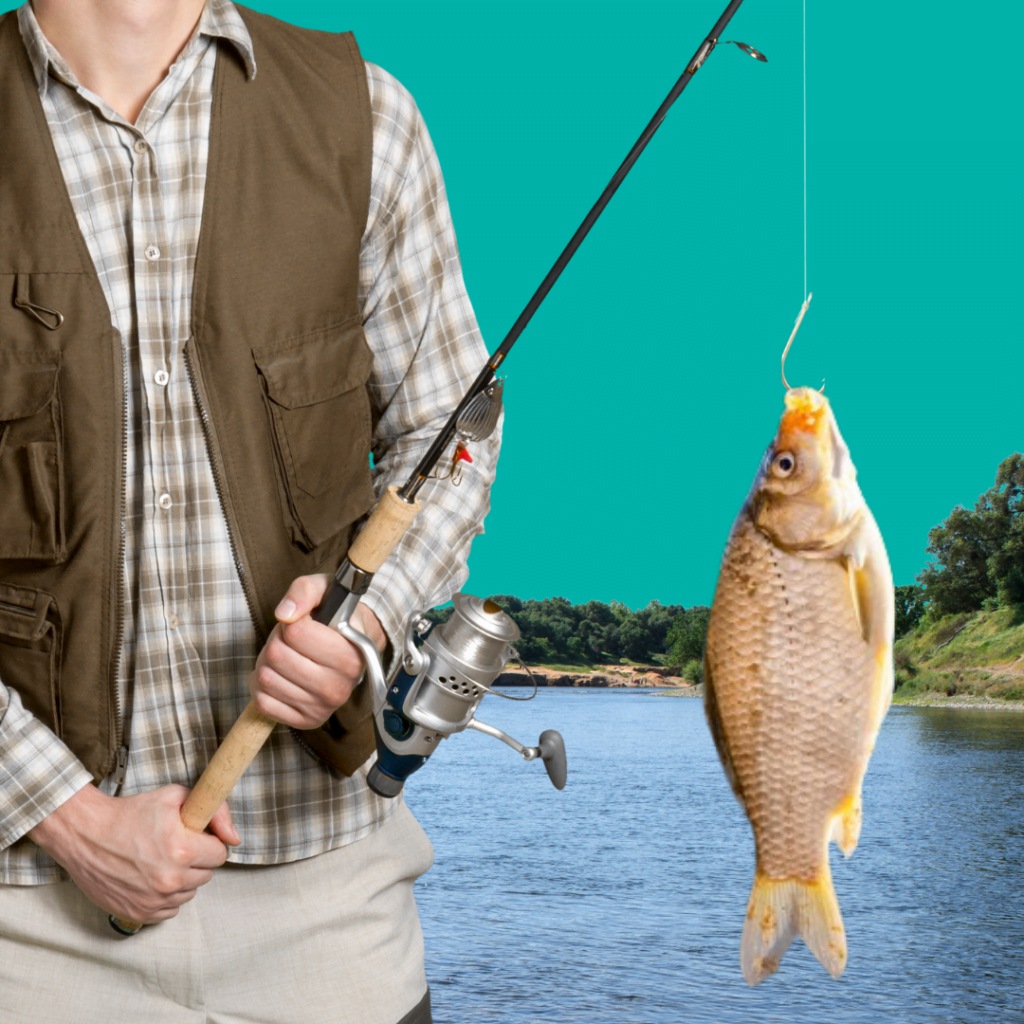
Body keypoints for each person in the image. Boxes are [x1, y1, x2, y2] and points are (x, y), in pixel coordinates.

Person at [0, 1, 500, 1021]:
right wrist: (60, 811)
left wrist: (365, 622)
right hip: (21, 925)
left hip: (328, 910)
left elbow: (452, 439)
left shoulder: (366, 116)